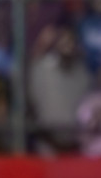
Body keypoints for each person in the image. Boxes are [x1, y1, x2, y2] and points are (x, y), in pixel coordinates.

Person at [28, 25, 92, 154]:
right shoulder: (41, 68)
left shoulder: (84, 74)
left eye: (70, 42)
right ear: (55, 44)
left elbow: (88, 109)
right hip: (47, 142)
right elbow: (32, 105)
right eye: (62, 41)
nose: (67, 46)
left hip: (77, 144)